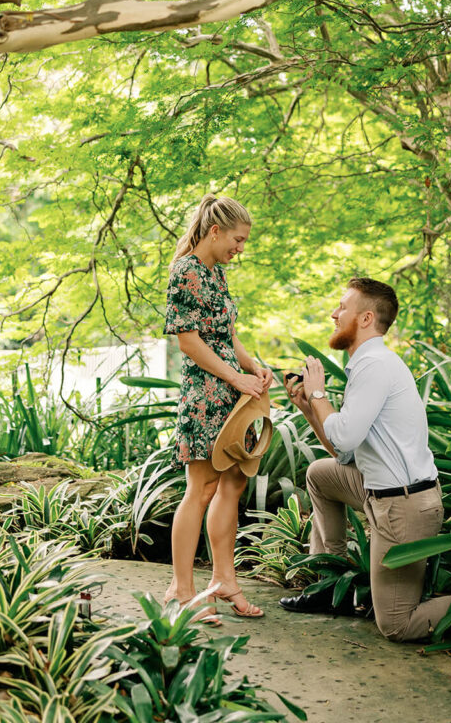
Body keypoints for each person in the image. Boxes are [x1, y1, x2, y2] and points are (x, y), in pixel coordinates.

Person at [280, 277, 451, 642]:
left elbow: (342, 437)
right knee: (320, 475)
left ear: (365, 318)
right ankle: (331, 585)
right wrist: (310, 407)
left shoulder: (375, 366)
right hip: (381, 491)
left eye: (342, 307)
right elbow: (343, 451)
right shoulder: (366, 365)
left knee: (397, 625)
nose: (333, 313)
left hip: (403, 507)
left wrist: (318, 392)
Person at [163, 193, 272, 622]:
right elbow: (187, 340)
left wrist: (253, 367)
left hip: (231, 395)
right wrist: (233, 375)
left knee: (233, 485)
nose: (240, 248)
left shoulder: (216, 274)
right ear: (215, 231)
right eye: (238, 240)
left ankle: (224, 580)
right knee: (202, 489)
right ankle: (182, 590)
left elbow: (227, 337)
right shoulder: (186, 270)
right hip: (206, 396)